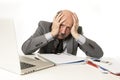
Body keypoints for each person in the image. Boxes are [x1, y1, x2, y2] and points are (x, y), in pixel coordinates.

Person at [22, 10, 103, 58]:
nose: (63, 31)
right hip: (45, 71)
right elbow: (25, 49)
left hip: (66, 72)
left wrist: (76, 35)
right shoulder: (44, 26)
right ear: (55, 21)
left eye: (68, 27)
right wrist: (52, 34)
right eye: (61, 25)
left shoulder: (75, 31)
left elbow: (98, 54)